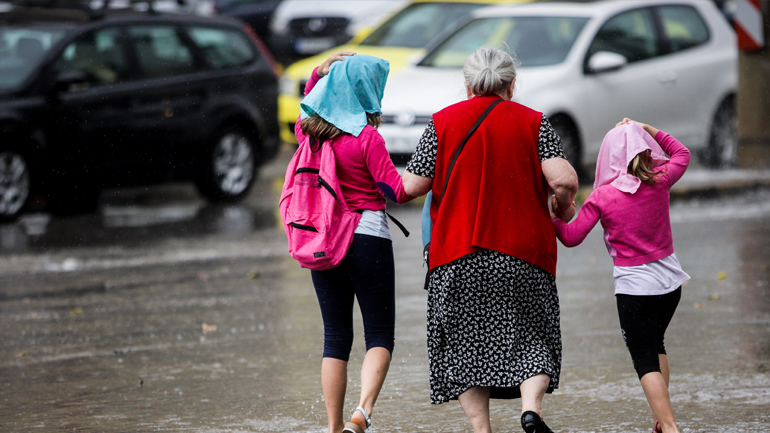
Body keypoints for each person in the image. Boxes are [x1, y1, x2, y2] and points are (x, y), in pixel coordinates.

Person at [402, 46, 579, 433]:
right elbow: (563, 179)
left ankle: (482, 430)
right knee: (532, 336)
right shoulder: (534, 123)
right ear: (511, 85)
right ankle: (530, 411)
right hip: (522, 254)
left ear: (467, 86)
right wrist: (561, 206)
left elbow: (411, 186)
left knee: (465, 348)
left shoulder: (441, 123)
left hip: (456, 254)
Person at [296, 51, 413, 433]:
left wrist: (319, 71)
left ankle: (332, 427)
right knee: (379, 334)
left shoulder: (309, 135)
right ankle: (361, 413)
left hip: (323, 242)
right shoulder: (367, 139)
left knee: (335, 338)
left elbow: (306, 103)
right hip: (367, 240)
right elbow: (395, 191)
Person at [551, 118, 691, 433]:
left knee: (644, 361)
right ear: (644, 150)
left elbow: (572, 237)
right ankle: (660, 419)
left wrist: (552, 218)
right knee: (656, 346)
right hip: (670, 284)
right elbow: (682, 153)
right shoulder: (660, 178)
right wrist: (646, 127)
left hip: (635, 289)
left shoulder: (603, 196)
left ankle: (669, 426)